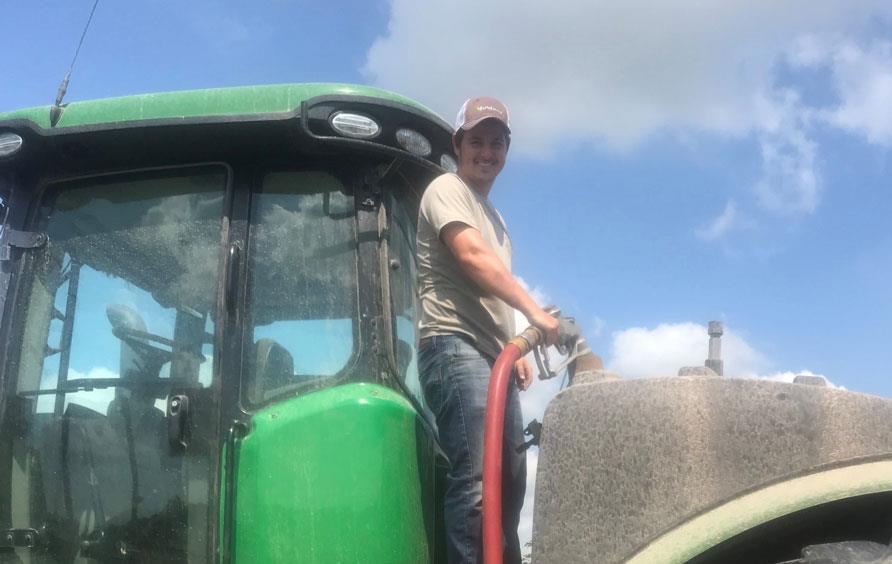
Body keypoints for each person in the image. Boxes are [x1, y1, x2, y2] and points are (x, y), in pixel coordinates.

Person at [416, 96, 560, 563]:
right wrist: (534, 315)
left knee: (510, 482)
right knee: (478, 480)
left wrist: (513, 350)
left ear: (506, 150)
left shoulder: (497, 219)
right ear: (458, 145)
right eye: (476, 141)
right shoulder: (445, 189)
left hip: (489, 355)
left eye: (496, 143)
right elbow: (472, 259)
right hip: (454, 344)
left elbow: (491, 294)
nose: (486, 152)